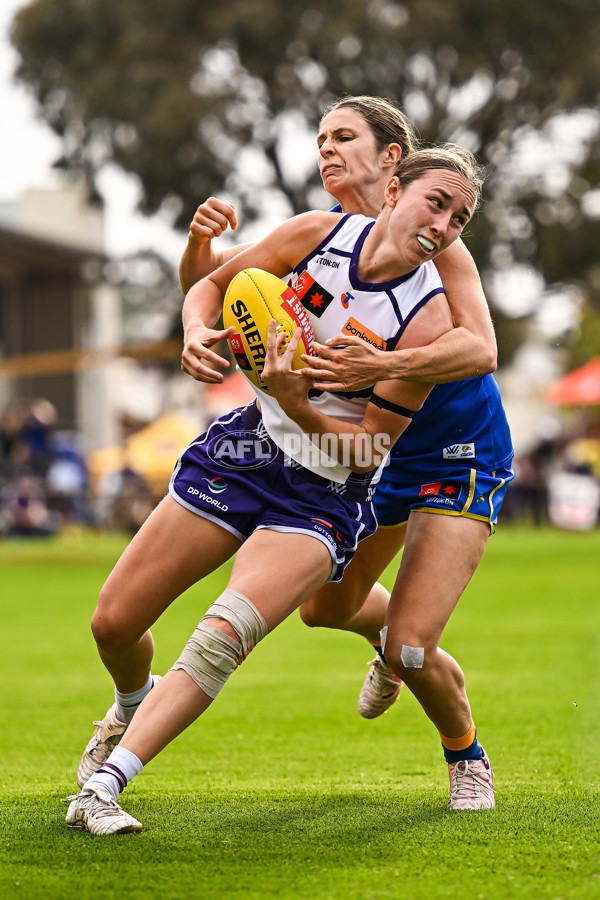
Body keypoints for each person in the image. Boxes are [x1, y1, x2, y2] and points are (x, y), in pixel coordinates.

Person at [65, 143, 485, 834]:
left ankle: (106, 787)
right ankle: (132, 701)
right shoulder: (316, 235)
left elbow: (366, 451)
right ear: (391, 193)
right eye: (436, 203)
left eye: (459, 219)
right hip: (245, 449)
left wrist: (301, 402)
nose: (443, 226)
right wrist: (198, 332)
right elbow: (212, 285)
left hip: (323, 491)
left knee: (223, 634)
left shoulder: (428, 326)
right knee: (113, 622)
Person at [178, 96, 512, 811]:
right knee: (325, 609)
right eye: (320, 138)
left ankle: (467, 756)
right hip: (369, 453)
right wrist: (196, 251)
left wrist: (374, 368)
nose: (326, 151)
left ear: (392, 162)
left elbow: (481, 347)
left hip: (456, 452)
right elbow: (226, 296)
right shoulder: (323, 234)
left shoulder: (437, 236)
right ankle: (388, 642)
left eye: (344, 137)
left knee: (412, 647)